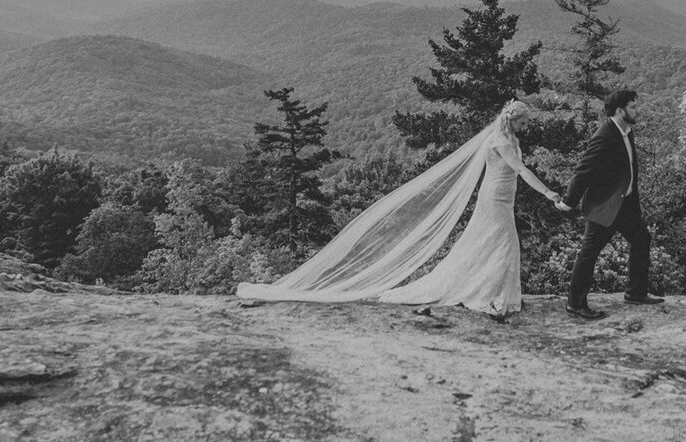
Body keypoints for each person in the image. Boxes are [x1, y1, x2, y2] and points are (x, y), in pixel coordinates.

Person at [236, 100, 562, 317]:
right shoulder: (502, 141)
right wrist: (548, 192)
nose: (527, 125)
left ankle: (495, 294)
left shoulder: (506, 136)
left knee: (490, 243)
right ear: (513, 119)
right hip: (495, 198)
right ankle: (493, 297)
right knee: (503, 242)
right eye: (524, 120)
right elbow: (521, 170)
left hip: (504, 196)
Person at [557, 89, 664, 320]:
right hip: (605, 206)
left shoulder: (626, 130)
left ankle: (635, 293)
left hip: (625, 205)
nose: (637, 110)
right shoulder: (604, 135)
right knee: (589, 253)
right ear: (619, 110)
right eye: (633, 107)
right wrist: (568, 201)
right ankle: (575, 304)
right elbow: (583, 170)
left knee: (641, 239)